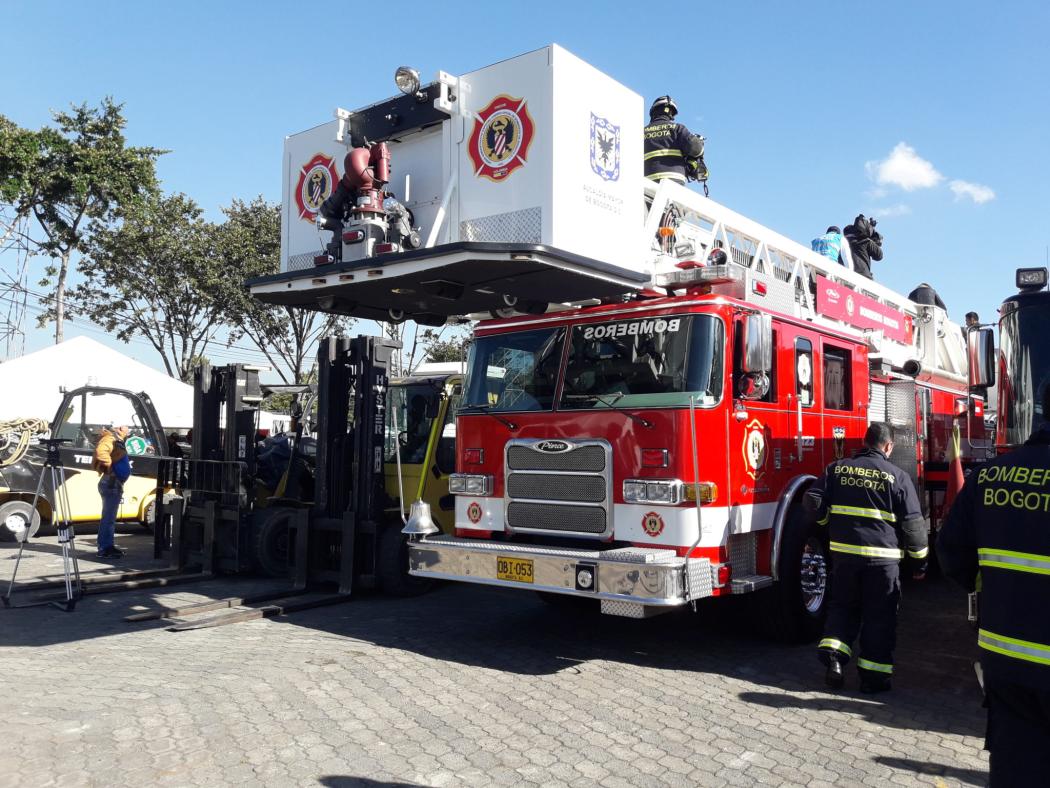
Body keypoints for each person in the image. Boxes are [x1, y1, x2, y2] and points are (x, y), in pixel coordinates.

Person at [937, 386, 1050, 785]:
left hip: (1005, 659)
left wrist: (993, 586)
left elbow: (951, 554)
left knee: (1016, 767)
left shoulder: (990, 475)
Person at [807, 422, 927, 692]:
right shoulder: (897, 476)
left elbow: (812, 499)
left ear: (864, 441)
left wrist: (827, 523)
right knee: (879, 617)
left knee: (843, 608)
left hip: (844, 559)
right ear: (888, 446)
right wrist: (919, 562)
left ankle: (835, 661)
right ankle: (873, 679)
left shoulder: (837, 468)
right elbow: (913, 525)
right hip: (882, 563)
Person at [643, 96, 707, 188]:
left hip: (647, 182)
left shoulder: (642, 132)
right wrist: (699, 143)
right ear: (671, 113)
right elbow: (696, 149)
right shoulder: (677, 129)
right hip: (674, 182)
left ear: (653, 112)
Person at [92, 424, 131, 558]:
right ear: (120, 428)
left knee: (108, 518)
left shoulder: (115, 439)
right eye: (127, 427)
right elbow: (101, 452)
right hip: (111, 483)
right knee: (108, 519)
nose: (129, 429)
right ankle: (105, 548)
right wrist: (108, 468)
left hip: (113, 483)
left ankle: (106, 546)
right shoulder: (111, 439)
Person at [843, 214, 883, 280]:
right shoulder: (865, 241)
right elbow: (879, 256)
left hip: (845, 275)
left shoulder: (843, 242)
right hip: (864, 276)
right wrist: (875, 240)